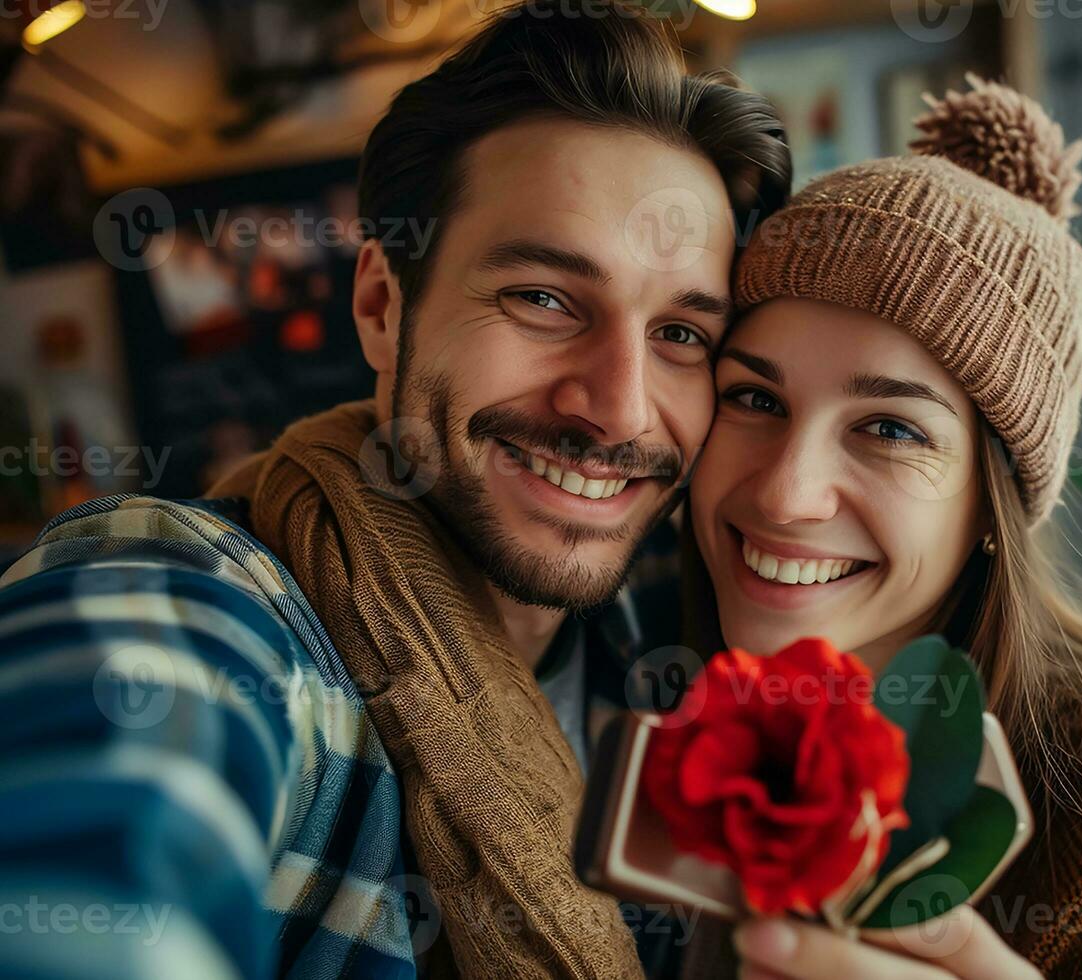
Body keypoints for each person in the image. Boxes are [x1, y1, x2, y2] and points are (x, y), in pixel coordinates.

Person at [0, 2, 789, 977]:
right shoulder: (198, 598)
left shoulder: (666, 651)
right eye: (543, 297)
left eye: (681, 334)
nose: (620, 410)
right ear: (380, 304)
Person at [678, 76, 1082, 979]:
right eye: (754, 398)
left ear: (991, 505)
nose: (785, 494)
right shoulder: (660, 685)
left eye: (890, 429)